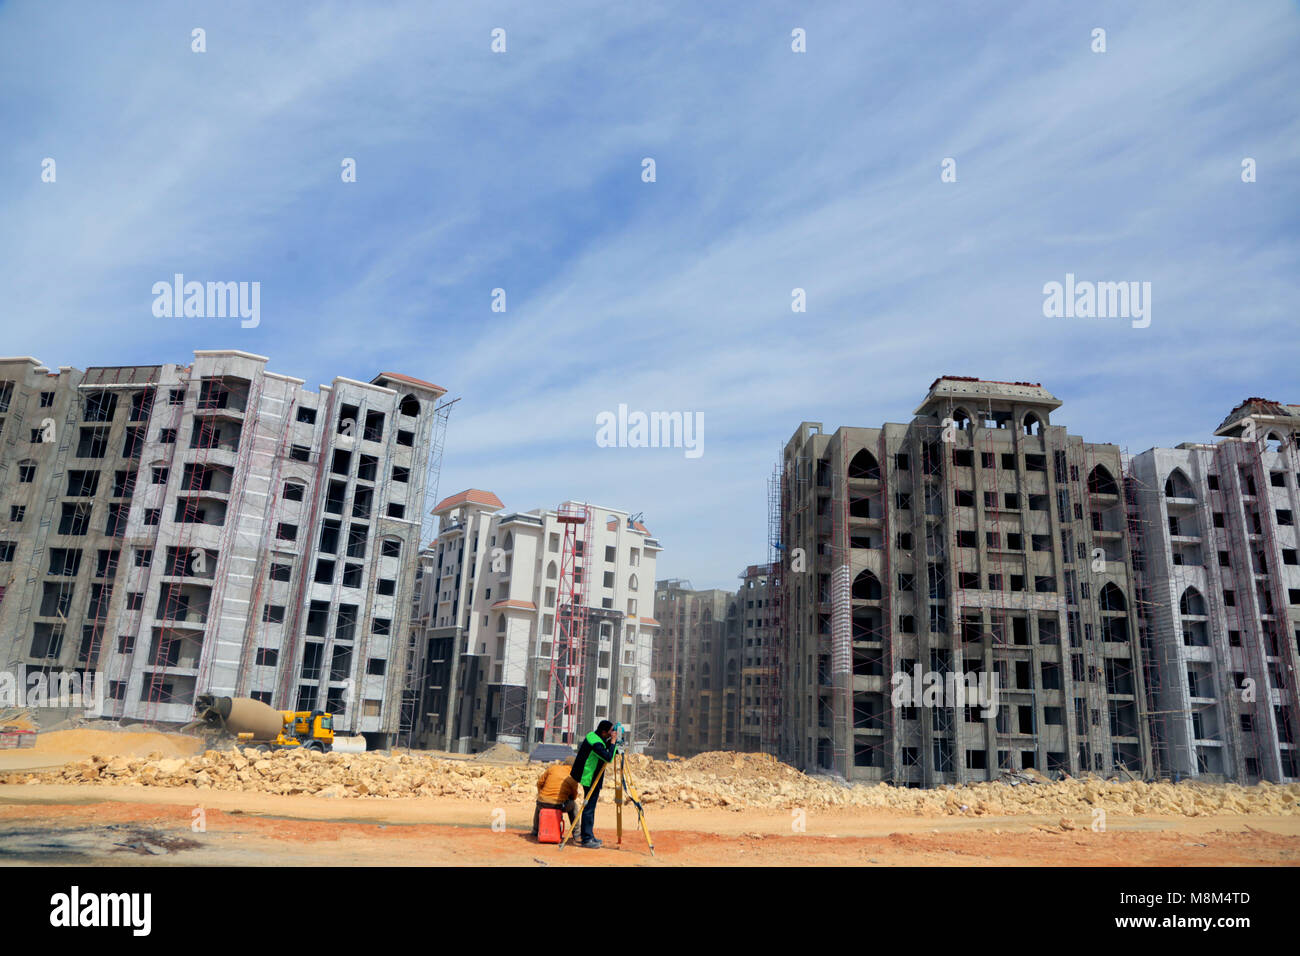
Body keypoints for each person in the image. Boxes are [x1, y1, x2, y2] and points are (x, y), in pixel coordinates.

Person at [570, 719, 618, 848]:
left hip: (590, 776)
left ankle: (589, 835)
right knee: (589, 807)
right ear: (603, 732)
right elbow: (608, 757)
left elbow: (606, 749)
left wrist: (612, 743)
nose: (612, 733)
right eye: (610, 732)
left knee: (590, 807)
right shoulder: (596, 743)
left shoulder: (593, 736)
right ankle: (587, 839)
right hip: (589, 777)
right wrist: (613, 742)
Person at [532, 761, 578, 840]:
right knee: (573, 806)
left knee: (540, 803)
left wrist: (541, 794)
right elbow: (573, 797)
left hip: (542, 803)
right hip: (558, 806)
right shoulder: (573, 777)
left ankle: (535, 831)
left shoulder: (553, 768)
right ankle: (577, 834)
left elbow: (539, 783)